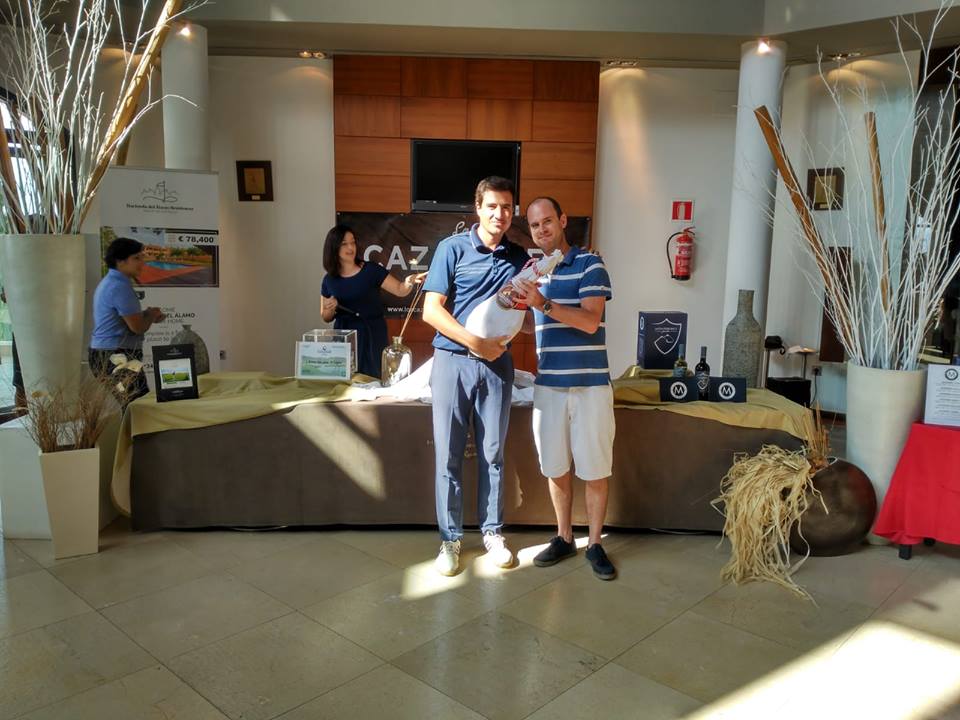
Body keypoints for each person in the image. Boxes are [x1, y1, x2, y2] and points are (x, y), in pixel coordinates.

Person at [421, 176, 530, 576]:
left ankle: (492, 533)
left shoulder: (519, 257)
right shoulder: (451, 249)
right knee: (448, 455)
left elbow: (525, 316)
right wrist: (474, 343)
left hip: (498, 364)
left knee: (493, 454)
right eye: (493, 206)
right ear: (478, 208)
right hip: (453, 361)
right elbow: (431, 311)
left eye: (507, 207)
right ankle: (450, 540)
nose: (500, 214)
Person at [514, 196, 617, 580]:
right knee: (555, 467)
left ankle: (595, 543)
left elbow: (590, 321)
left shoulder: (591, 264)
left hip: (591, 386)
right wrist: (513, 312)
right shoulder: (530, 271)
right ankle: (564, 537)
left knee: (595, 469)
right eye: (534, 225)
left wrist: (542, 303)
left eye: (547, 221)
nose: (542, 229)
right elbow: (533, 325)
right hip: (549, 386)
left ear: (563, 220)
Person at [320, 225, 425, 378]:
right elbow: (325, 316)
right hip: (344, 338)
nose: (350, 247)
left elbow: (399, 289)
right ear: (333, 247)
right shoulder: (329, 280)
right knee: (345, 381)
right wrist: (330, 308)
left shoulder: (371, 270)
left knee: (374, 377)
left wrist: (409, 282)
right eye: (344, 244)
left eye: (353, 242)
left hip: (372, 333)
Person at [89, 238, 164, 405]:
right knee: (138, 406)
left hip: (109, 354)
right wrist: (151, 314)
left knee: (134, 405)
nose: (142, 262)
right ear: (120, 261)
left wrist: (147, 314)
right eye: (136, 258)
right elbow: (138, 327)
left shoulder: (112, 282)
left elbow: (126, 319)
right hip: (115, 356)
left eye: (141, 257)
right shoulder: (119, 286)